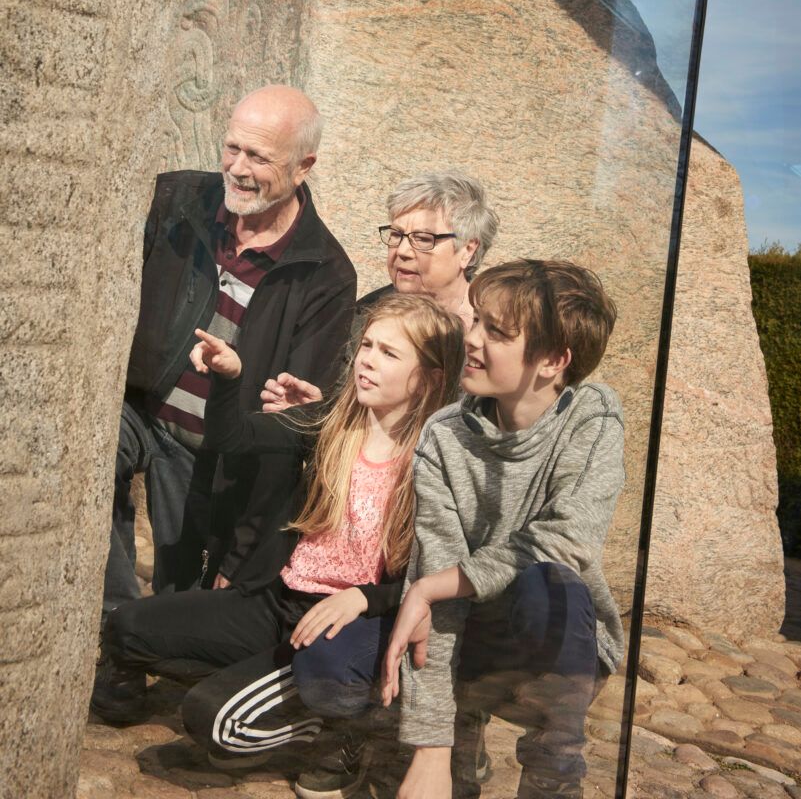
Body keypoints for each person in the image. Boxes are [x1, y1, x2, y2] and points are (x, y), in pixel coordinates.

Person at [101, 294, 465, 799]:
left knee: (214, 721)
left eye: (389, 353)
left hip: (350, 624)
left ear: (427, 378)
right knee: (127, 626)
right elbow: (232, 438)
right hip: (280, 603)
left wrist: (364, 597)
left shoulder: (436, 458)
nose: (367, 360)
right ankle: (270, 685)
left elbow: (437, 574)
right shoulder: (329, 422)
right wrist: (228, 379)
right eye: (366, 345)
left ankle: (338, 728)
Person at [93, 85, 356, 720]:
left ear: (304, 166)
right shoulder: (176, 200)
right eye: (232, 148)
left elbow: (292, 420)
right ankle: (109, 633)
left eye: (259, 157)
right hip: (141, 409)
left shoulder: (325, 273)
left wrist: (243, 550)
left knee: (179, 596)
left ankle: (135, 641)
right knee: (87, 458)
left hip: (213, 452)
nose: (237, 168)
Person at [381, 259, 625, 799]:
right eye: (476, 321)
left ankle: (553, 778)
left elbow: (568, 539)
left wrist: (438, 584)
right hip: (474, 637)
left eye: (496, 332)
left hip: (556, 638)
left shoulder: (592, 418)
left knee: (553, 585)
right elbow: (436, 592)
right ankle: (460, 738)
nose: (471, 339)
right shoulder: (444, 435)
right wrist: (430, 748)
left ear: (553, 360)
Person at [261, 170, 499, 413]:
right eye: (396, 235)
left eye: (423, 239)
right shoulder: (364, 316)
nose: (402, 251)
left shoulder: (494, 333)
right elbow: (348, 410)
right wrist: (316, 412)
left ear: (468, 250)